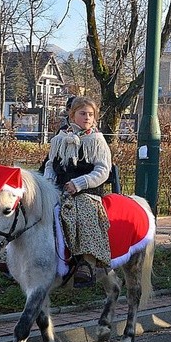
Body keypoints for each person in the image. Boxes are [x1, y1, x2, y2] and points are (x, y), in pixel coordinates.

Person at [43, 97, 112, 288]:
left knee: (81, 209)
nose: (87, 118)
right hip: (58, 189)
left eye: (91, 114)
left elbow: (103, 170)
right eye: (83, 114)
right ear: (72, 115)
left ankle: (86, 262)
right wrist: (48, 186)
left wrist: (79, 183)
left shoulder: (97, 140)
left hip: (86, 191)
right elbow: (50, 165)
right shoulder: (59, 139)